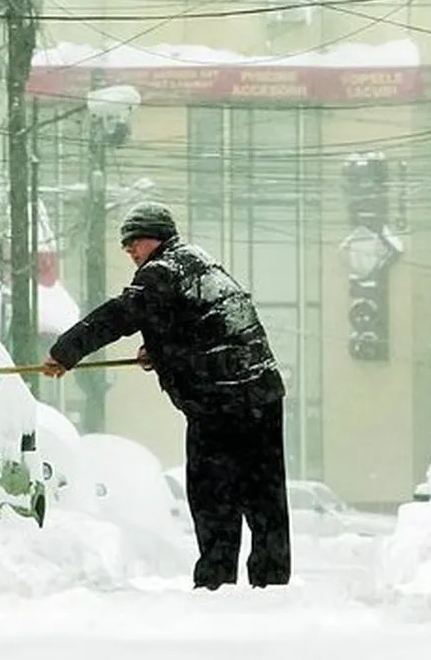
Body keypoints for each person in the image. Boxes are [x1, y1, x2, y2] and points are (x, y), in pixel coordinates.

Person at [41, 201, 290, 590]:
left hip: (220, 402)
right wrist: (161, 351)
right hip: (261, 394)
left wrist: (65, 352)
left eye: (133, 246)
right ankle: (272, 581)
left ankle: (216, 582)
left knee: (212, 494)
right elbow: (203, 326)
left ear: (152, 238)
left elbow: (119, 316)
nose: (131, 255)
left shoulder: (162, 271)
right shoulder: (197, 262)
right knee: (263, 492)